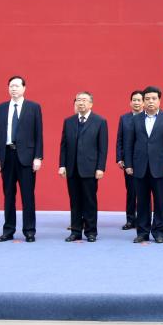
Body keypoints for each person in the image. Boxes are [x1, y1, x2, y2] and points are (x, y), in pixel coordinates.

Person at [0, 75, 43, 242]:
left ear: (24, 88)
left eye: (17, 86)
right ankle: (8, 230)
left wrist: (38, 157)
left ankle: (29, 230)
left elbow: (38, 134)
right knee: (8, 195)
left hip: (27, 158)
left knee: (28, 196)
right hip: (6, 156)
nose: (13, 89)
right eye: (11, 86)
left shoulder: (33, 107)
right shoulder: (0, 108)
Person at [124, 85, 163, 243]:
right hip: (139, 166)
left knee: (160, 201)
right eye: (147, 99)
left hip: (159, 167)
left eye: (154, 98)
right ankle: (142, 232)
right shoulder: (135, 119)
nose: (150, 101)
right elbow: (129, 144)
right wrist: (128, 164)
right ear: (143, 102)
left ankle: (159, 232)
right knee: (142, 202)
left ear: (159, 100)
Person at [58, 92, 108, 242]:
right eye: (78, 100)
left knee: (89, 201)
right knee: (74, 201)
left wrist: (100, 167)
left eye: (84, 100)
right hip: (72, 168)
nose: (81, 103)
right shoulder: (69, 121)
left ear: (91, 104)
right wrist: (62, 165)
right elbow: (64, 146)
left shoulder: (100, 121)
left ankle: (91, 232)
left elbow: (102, 148)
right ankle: (75, 231)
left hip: (90, 168)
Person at [115, 90, 144, 230]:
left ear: (143, 103)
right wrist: (119, 158)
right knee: (131, 192)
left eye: (139, 100)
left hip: (145, 160)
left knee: (144, 192)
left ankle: (143, 220)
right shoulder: (124, 118)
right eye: (134, 100)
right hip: (129, 161)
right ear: (130, 102)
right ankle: (130, 220)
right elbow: (120, 139)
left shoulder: (148, 118)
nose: (136, 102)